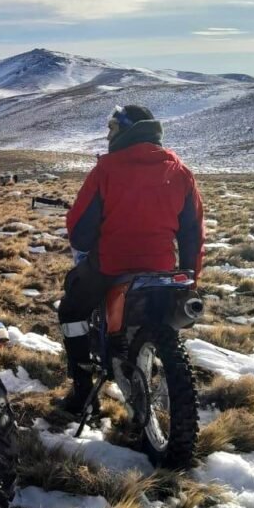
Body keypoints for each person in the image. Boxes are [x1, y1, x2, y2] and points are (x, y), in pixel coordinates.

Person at [59, 105, 205, 413]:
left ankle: (83, 392)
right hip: (162, 268)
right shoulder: (180, 172)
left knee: (71, 311)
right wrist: (192, 275)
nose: (108, 134)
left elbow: (80, 232)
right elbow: (193, 232)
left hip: (111, 266)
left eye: (111, 128)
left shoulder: (106, 170)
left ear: (126, 130)